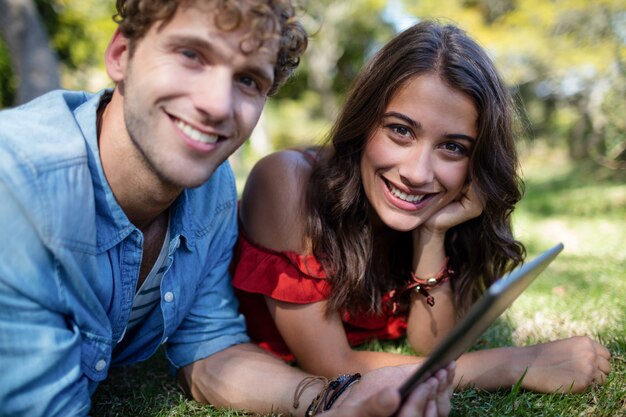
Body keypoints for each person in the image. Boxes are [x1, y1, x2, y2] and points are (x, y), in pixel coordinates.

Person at [0, 1, 456, 416]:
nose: (217, 106)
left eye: (247, 80)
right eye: (191, 55)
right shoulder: (20, 184)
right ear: (120, 54)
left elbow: (209, 345)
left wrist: (333, 401)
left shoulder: (209, 187)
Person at [232, 20, 612, 394]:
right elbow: (332, 366)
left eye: (453, 147)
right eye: (400, 130)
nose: (416, 173)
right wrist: (514, 364)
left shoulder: (440, 213)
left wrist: (432, 235)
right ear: (365, 124)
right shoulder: (287, 182)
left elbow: (430, 344)